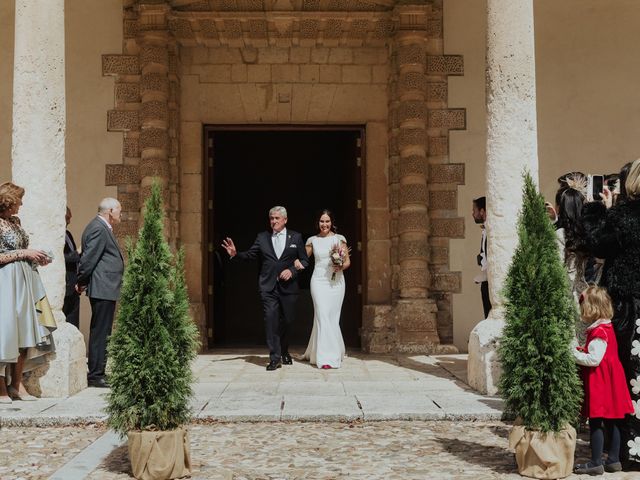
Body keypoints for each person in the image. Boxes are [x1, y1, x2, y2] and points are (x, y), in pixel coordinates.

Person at [582, 158, 640, 466]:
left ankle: (627, 451)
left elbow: (598, 245)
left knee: (628, 379)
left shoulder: (623, 216)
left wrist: (596, 209)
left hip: (629, 307)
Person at [221, 206, 309, 371]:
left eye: (277, 218)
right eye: (271, 219)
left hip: (289, 288)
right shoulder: (262, 238)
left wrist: (292, 270)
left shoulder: (295, 237)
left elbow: (304, 261)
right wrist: (235, 253)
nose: (274, 221)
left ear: (285, 220)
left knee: (287, 320)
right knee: (271, 321)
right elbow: (249, 256)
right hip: (268, 288)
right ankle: (275, 358)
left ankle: (284, 349)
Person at [0, 182, 55, 403]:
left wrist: (37, 257)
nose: (22, 204)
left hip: (24, 281)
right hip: (5, 281)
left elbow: (22, 250)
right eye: (19, 200)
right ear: (9, 202)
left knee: (24, 331)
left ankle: (17, 384)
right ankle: (1, 388)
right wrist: (25, 252)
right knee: (6, 332)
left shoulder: (16, 222)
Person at [572, 286, 634, 475]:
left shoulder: (599, 332)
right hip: (612, 381)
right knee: (612, 421)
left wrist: (573, 354)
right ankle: (613, 460)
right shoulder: (606, 327)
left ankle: (596, 462)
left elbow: (594, 359)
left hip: (602, 383)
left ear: (591, 309)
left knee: (597, 421)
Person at [76, 198, 124, 388]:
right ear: (110, 211)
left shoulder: (102, 227)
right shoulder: (98, 228)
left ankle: (99, 371)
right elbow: (88, 259)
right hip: (102, 287)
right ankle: (96, 374)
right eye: (119, 210)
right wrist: (81, 281)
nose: (121, 214)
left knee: (104, 331)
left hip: (107, 288)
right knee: (100, 332)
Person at [298, 210, 350, 369]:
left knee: (331, 317)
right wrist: (295, 263)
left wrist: (340, 265)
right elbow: (303, 259)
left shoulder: (339, 239)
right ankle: (326, 358)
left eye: (327, 221)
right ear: (317, 223)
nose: (324, 224)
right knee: (322, 315)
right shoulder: (312, 240)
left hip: (336, 282)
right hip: (319, 281)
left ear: (331, 222)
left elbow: (347, 262)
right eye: (322, 221)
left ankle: (322, 351)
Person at [472, 197, 491, 318]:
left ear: (482, 211)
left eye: (474, 210)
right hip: (485, 280)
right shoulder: (485, 230)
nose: (472, 213)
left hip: (490, 282)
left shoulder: (491, 230)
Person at [63, 207, 80, 329]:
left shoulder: (68, 234)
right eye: (67, 218)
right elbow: (60, 258)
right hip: (64, 284)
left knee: (73, 324)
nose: (69, 221)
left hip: (74, 285)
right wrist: (78, 253)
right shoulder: (55, 236)